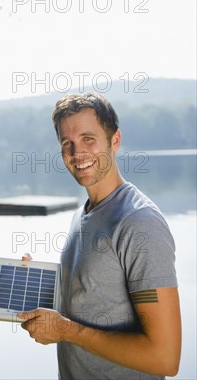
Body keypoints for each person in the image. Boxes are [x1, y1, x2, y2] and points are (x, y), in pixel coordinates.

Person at [19, 93, 181, 379]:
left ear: (115, 140)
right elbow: (92, 299)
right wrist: (29, 284)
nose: (77, 153)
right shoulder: (82, 214)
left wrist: (66, 331)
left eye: (88, 139)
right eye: (67, 144)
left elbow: (164, 358)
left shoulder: (139, 222)